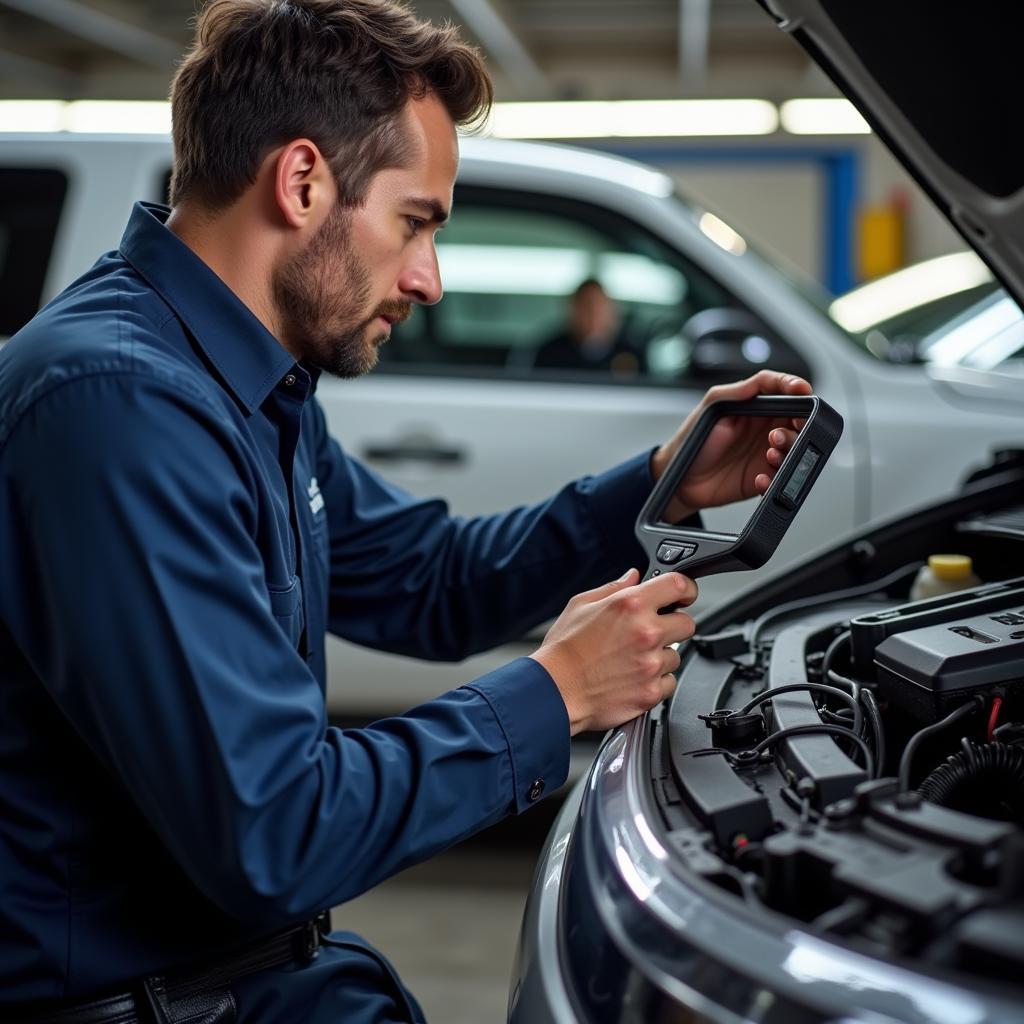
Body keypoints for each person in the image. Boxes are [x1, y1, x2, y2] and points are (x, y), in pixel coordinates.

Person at [0, 1, 809, 1021]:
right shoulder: (115, 405)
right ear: (301, 183)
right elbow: (276, 829)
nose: (426, 278)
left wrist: (661, 481)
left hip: (244, 976)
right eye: (414, 222)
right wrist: (551, 692)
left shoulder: (243, 387)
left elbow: (430, 581)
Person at [534, 277, 641, 374]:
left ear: (612, 312)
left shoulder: (631, 354)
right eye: (586, 307)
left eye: (600, 308)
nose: (593, 315)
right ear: (573, 311)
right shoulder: (550, 353)